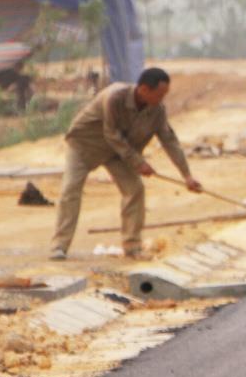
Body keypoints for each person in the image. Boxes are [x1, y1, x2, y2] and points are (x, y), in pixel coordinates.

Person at [50, 67, 201, 260]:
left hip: (118, 154)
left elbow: (169, 141)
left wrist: (186, 176)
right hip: (85, 146)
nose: (162, 99)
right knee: (70, 189)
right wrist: (139, 163)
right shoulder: (114, 97)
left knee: (135, 189)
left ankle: (132, 245)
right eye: (160, 94)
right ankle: (59, 246)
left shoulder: (157, 111)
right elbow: (111, 134)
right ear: (144, 89)